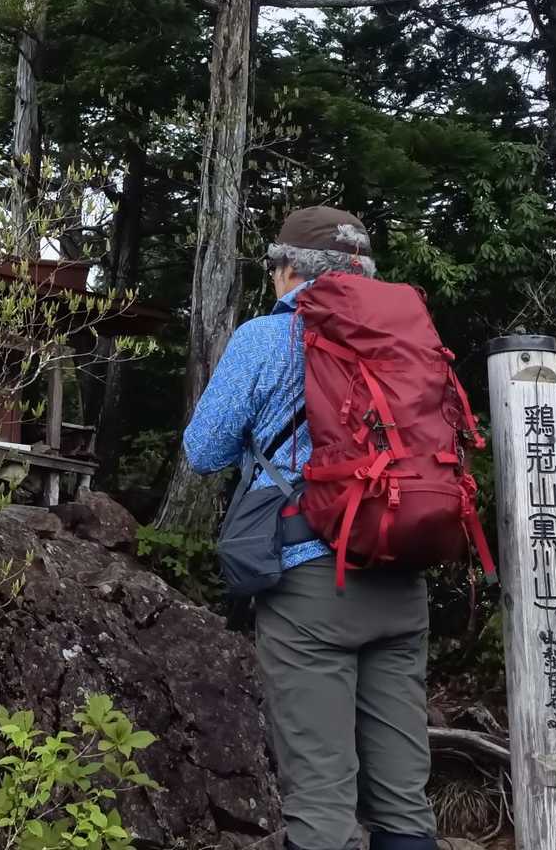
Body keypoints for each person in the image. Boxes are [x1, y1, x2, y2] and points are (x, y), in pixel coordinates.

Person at [183, 206, 437, 850]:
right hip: (402, 570)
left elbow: (203, 450)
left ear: (289, 269)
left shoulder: (267, 338)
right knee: (404, 802)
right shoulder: (409, 340)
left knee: (321, 802)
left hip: (310, 583)